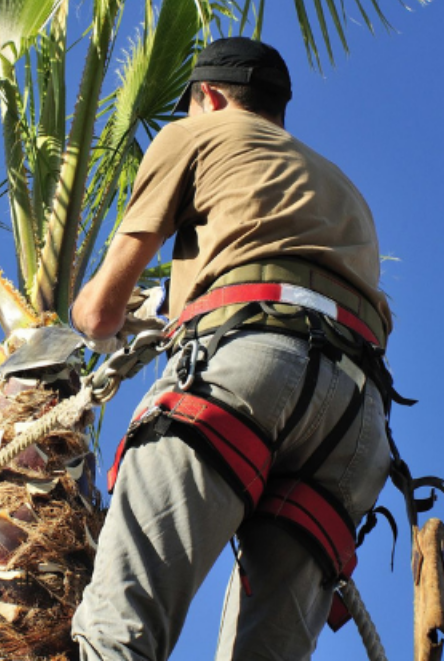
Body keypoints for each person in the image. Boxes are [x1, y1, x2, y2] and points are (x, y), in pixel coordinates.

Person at [69, 37, 393, 660]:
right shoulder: (342, 190)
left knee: (120, 634)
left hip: (243, 371)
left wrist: (99, 320)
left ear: (208, 97)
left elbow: (99, 311)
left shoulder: (195, 134)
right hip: (355, 423)